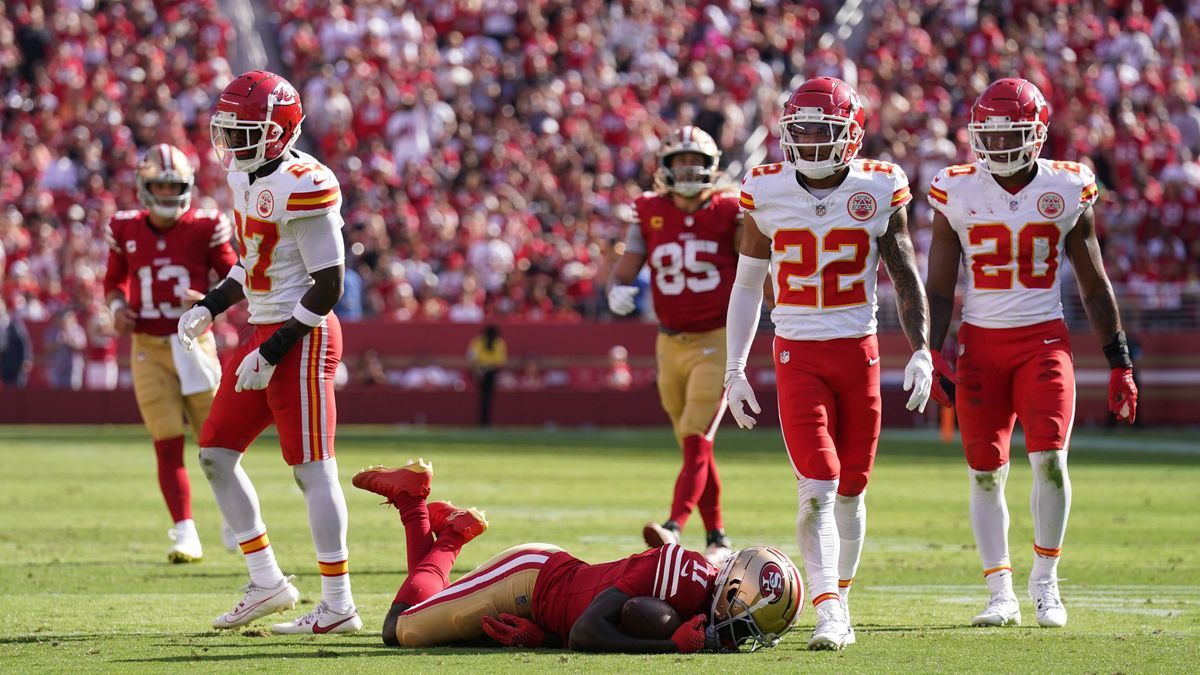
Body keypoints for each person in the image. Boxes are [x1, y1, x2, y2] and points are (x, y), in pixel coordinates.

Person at [724, 76, 934, 651]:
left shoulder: (880, 184)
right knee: (817, 485)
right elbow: (746, 285)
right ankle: (829, 610)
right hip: (797, 354)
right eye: (803, 130)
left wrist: (921, 349)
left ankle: (838, 595)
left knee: (854, 490)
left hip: (859, 351)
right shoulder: (766, 188)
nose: (812, 141)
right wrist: (734, 368)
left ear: (851, 135)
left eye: (824, 130)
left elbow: (904, 273)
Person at [924, 77, 1139, 629]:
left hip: (1043, 340)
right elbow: (941, 288)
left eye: (1010, 135)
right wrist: (930, 350)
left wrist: (1119, 362)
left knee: (1050, 459)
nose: (996, 147)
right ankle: (1000, 591)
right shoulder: (956, 189)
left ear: (1037, 134)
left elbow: (1093, 282)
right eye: (988, 137)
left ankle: (1045, 583)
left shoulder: (1067, 188)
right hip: (980, 347)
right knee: (984, 473)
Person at [177, 70, 359, 634]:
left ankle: (338, 603)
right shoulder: (246, 176)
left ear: (278, 131)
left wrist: (273, 351)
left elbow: (328, 288)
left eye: (243, 130)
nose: (230, 142)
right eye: (226, 130)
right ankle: (266, 581)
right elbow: (253, 264)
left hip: (300, 337)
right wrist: (212, 304)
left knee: (312, 470)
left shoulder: (305, 183)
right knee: (215, 454)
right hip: (264, 329)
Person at [351, 459, 804, 653]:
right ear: (731, 591)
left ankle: (417, 503)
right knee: (399, 630)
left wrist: (542, 638)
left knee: (433, 614)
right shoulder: (684, 576)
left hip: (547, 606)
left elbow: (582, 629)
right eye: (746, 623)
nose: (741, 636)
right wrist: (670, 646)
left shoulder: (702, 598)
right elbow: (588, 630)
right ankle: (446, 530)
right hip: (530, 580)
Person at [607, 127, 742, 564]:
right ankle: (718, 537)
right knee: (694, 446)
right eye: (680, 161)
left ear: (711, 166)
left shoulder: (729, 209)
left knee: (696, 437)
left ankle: (673, 526)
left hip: (717, 339)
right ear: (665, 167)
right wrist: (616, 288)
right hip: (668, 343)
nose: (688, 169)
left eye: (696, 161)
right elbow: (626, 267)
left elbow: (754, 265)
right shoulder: (648, 209)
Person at [102, 143, 239, 562]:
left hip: (193, 342)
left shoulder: (206, 224)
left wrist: (208, 300)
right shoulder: (125, 227)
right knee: (166, 440)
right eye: (158, 186)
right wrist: (118, 309)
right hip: (147, 345)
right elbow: (113, 282)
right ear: (144, 188)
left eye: (173, 186)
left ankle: (235, 519)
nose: (165, 194)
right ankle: (185, 531)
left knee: (218, 443)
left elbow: (235, 275)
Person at [466, 324, 507, 426]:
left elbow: (499, 362)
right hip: (480, 371)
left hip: (489, 372)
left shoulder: (497, 343)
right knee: (485, 397)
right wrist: (477, 371)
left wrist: (483, 368)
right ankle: (484, 421)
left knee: (486, 397)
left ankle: (484, 421)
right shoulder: (480, 342)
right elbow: (472, 358)